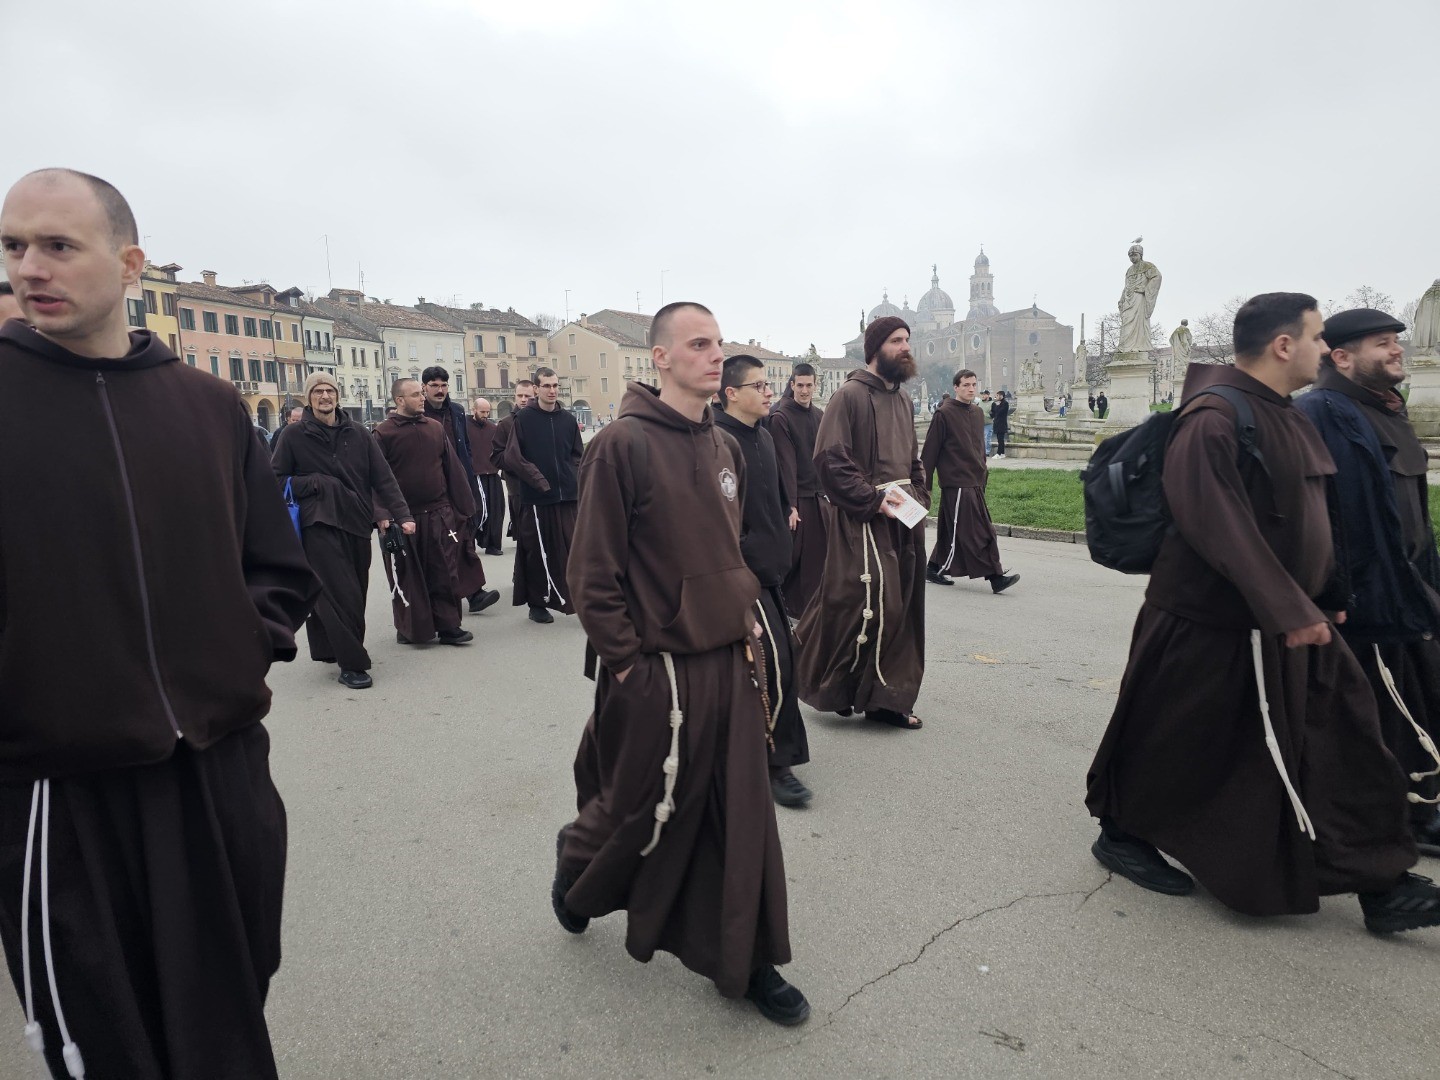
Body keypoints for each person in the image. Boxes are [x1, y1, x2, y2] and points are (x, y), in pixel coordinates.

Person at [0, 167, 318, 1079]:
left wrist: (237, 657)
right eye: (14, 246)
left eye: (58, 245)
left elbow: (276, 567)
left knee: (232, 1005)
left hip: (217, 768)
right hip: (61, 787)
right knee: (108, 1036)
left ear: (130, 263)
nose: (29, 267)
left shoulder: (209, 407)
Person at [1086, 291, 1440, 932]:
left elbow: (1318, 516)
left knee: (1343, 743)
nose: (1322, 349)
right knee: (1172, 739)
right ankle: (1121, 832)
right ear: (1283, 345)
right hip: (1210, 624)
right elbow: (1215, 521)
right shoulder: (1214, 416)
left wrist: (1329, 596)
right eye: (1316, 337)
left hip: (1289, 620)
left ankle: (1383, 883)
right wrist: (1288, 607)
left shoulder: (1287, 415)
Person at [553, 301, 804, 1025]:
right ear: (659, 357)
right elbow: (591, 575)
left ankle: (748, 959)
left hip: (728, 662)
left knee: (742, 815)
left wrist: (744, 625)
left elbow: (726, 553)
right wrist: (627, 668)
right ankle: (576, 873)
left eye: (718, 343)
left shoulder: (725, 448)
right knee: (635, 811)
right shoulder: (620, 446)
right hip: (655, 674)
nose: (715, 354)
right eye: (698, 344)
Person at [1295, 308, 1440, 855]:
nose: (1397, 349)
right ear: (1342, 357)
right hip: (1364, 600)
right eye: (1383, 343)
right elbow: (1319, 517)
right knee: (1381, 714)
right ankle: (1403, 816)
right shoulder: (1320, 413)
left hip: (1410, 590)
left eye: (1395, 341)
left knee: (1418, 703)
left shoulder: (1388, 409)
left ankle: (1419, 805)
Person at [795, 315, 928, 731]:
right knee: (864, 603)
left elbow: (913, 459)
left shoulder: (903, 400)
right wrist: (873, 500)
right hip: (864, 518)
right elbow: (831, 459)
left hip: (904, 518)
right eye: (896, 340)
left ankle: (886, 699)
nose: (905, 347)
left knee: (903, 607)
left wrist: (919, 496)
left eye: (907, 339)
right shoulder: (849, 396)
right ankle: (826, 680)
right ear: (875, 349)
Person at [714, 354, 813, 807]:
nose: (769, 391)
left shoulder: (765, 435)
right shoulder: (717, 442)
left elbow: (774, 497)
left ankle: (752, 752)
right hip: (739, 574)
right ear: (732, 393)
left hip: (771, 569)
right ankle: (775, 764)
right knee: (771, 663)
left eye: (768, 384)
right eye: (759, 385)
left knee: (778, 659)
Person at [272, 370, 412, 690]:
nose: (325, 396)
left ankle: (328, 648)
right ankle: (352, 663)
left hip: (356, 521)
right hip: (317, 523)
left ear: (338, 396)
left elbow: (382, 477)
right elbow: (275, 480)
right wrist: (315, 483)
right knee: (339, 593)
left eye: (330, 391)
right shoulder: (293, 436)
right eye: (317, 391)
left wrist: (401, 513)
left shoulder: (359, 434)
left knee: (355, 593)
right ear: (309, 398)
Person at [374, 378, 479, 646]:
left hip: (438, 513)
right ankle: (411, 628)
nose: (422, 398)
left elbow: (452, 469)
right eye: (415, 395)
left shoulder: (434, 428)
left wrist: (466, 508)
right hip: (403, 519)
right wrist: (382, 514)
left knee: (445, 572)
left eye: (421, 394)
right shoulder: (383, 433)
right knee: (407, 575)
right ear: (399, 400)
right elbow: (374, 478)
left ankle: (449, 626)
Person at [922, 369, 1019, 593]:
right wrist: (923, 487)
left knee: (953, 530)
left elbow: (979, 448)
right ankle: (995, 576)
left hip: (975, 481)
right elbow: (929, 452)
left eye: (974, 384)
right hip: (956, 483)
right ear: (956, 387)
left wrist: (983, 474)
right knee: (978, 532)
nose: (971, 389)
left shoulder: (977, 412)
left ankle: (933, 568)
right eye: (966, 385)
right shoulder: (944, 413)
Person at [502, 367, 582, 624]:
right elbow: (513, 456)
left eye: (555, 385)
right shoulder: (524, 419)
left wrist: (574, 479)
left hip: (567, 497)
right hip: (537, 499)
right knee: (537, 552)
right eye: (547, 385)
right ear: (536, 389)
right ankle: (537, 604)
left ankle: (578, 599)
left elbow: (577, 455)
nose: (552, 390)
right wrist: (538, 480)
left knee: (573, 550)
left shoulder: (568, 420)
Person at [421, 365, 496, 614]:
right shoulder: (419, 412)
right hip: (431, 486)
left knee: (463, 537)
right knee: (439, 543)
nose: (439, 390)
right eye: (434, 385)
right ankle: (439, 599)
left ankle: (474, 593)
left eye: (443, 385)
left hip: (459, 482)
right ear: (424, 388)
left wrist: (469, 476)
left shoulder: (456, 410)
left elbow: (465, 447)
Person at [766, 361, 827, 620]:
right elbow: (785, 464)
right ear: (792, 385)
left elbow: (826, 458)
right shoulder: (781, 417)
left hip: (818, 497)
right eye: (799, 385)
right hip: (796, 499)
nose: (804, 390)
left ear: (815, 386)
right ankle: (789, 613)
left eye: (808, 385)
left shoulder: (819, 416)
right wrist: (790, 505)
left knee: (818, 560)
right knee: (794, 560)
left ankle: (812, 614)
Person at [491, 379, 536, 540]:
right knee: (524, 532)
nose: (523, 399)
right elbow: (496, 456)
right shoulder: (505, 424)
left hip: (542, 484)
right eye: (520, 395)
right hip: (517, 485)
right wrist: (517, 463)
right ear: (514, 396)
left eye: (528, 396)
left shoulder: (542, 420)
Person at [466, 396, 506, 555]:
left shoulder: (493, 428)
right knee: (477, 511)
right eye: (482, 412)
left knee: (497, 511)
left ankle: (493, 545)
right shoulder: (464, 427)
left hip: (492, 473)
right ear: (474, 410)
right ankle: (469, 546)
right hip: (475, 475)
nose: (485, 415)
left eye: (487, 412)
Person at [990, 388, 1010, 458]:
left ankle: (998, 453)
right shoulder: (998, 404)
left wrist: (997, 405)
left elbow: (999, 412)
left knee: (1000, 440)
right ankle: (1002, 453)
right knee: (999, 439)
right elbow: (993, 413)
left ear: (1001, 396)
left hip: (1002, 424)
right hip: (997, 423)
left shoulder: (1005, 403)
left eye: (997, 395)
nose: (996, 397)